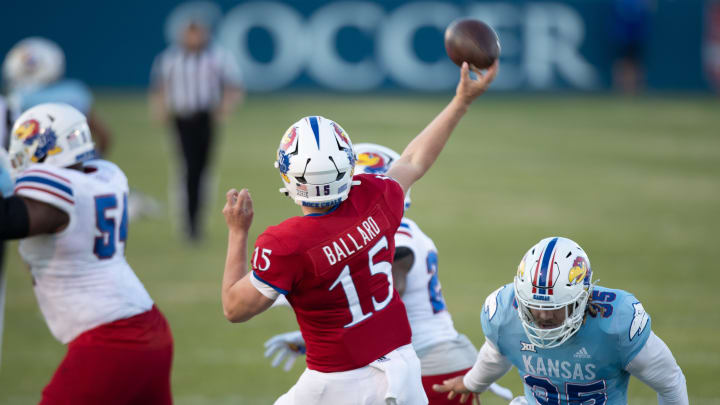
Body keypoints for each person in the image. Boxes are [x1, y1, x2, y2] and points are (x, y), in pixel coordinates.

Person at [220, 60, 498, 405]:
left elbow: (234, 308)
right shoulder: (375, 199)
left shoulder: (285, 244)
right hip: (403, 370)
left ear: (290, 178)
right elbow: (414, 159)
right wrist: (461, 102)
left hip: (337, 380)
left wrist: (237, 232)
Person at [262, 143, 513, 404]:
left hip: (428, 365)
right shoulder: (405, 229)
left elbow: (382, 291)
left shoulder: (391, 235)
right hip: (444, 359)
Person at [0, 103, 173, 404]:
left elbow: (7, 219)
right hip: (149, 326)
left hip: (111, 339)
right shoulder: (104, 175)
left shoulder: (58, 194)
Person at [433, 236, 689, 405]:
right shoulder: (504, 314)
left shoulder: (617, 324)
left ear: (582, 299)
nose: (543, 316)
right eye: (534, 307)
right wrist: (471, 382)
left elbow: (669, 381)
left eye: (556, 308)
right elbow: (496, 355)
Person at [150, 12, 244, 241]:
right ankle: (187, 221)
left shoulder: (217, 57)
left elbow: (233, 85)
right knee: (187, 168)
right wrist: (160, 110)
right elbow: (159, 86)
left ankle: (197, 218)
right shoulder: (170, 58)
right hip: (182, 118)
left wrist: (224, 109)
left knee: (203, 168)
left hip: (205, 118)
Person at [2, 37, 113, 155]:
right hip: (70, 163)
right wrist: (93, 159)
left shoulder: (13, 100)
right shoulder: (74, 94)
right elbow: (104, 137)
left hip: (27, 162)